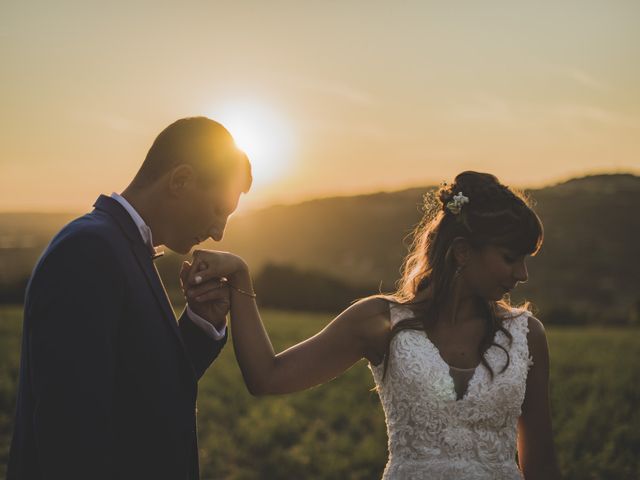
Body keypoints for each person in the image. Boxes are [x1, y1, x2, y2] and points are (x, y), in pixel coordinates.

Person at [185, 171, 561, 479]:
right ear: (463, 252)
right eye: (510, 258)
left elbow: (541, 466)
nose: (522, 274)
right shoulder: (380, 320)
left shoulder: (527, 336)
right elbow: (267, 377)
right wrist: (240, 280)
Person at [7, 117, 250, 479]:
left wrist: (202, 324)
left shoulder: (124, 247)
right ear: (180, 181)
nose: (218, 233)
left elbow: (140, 390)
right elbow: (71, 434)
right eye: (218, 210)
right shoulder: (88, 250)